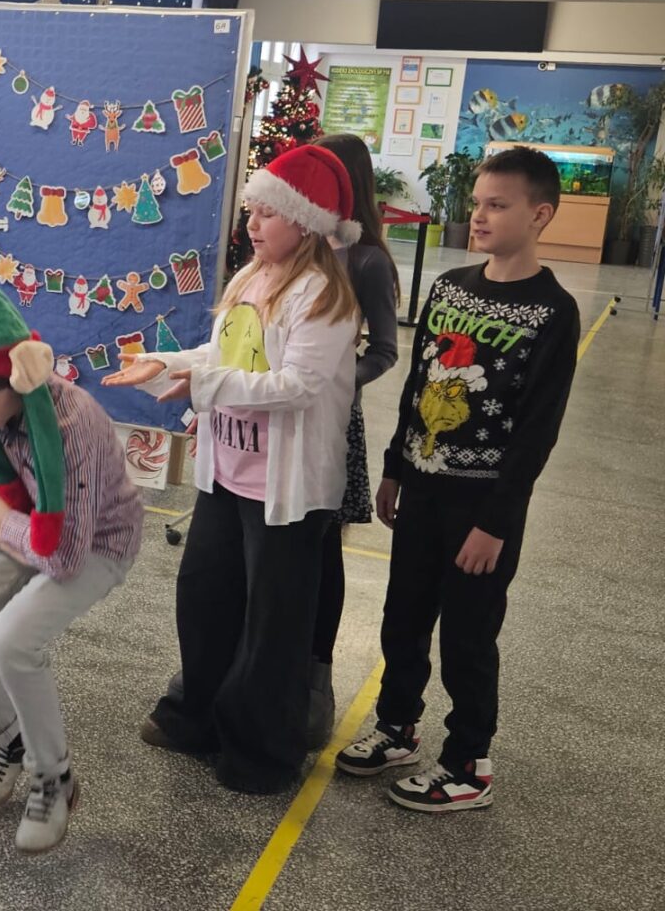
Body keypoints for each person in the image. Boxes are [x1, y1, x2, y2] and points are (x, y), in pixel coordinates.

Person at [105, 144, 360, 794]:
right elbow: (222, 353)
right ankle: (197, 718)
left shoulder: (323, 295)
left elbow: (297, 384)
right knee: (206, 598)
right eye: (251, 210)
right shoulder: (252, 276)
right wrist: (168, 364)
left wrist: (202, 382)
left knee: (273, 624)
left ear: (306, 221)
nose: (252, 223)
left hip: (285, 490)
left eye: (267, 212)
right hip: (227, 473)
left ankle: (261, 750)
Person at [336, 146, 579, 812]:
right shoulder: (450, 288)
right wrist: (394, 467)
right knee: (403, 616)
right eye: (477, 203)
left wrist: (496, 522)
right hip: (423, 488)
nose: (480, 216)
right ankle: (396, 726)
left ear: (540, 215)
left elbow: (538, 429)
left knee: (468, 636)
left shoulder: (553, 311)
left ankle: (469, 762)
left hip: (482, 505)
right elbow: (419, 386)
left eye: (497, 205)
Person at [0, 289, 142, 854]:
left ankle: (54, 776)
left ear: (15, 382)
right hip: (26, 530)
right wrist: (2, 525)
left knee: (12, 641)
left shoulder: (73, 423)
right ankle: (13, 740)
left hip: (98, 542)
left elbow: (66, 555)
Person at [305, 133, 401, 747]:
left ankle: (316, 680)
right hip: (276, 420)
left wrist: (335, 382)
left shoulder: (366, 260)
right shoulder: (298, 242)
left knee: (322, 551)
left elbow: (385, 351)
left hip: (334, 422)